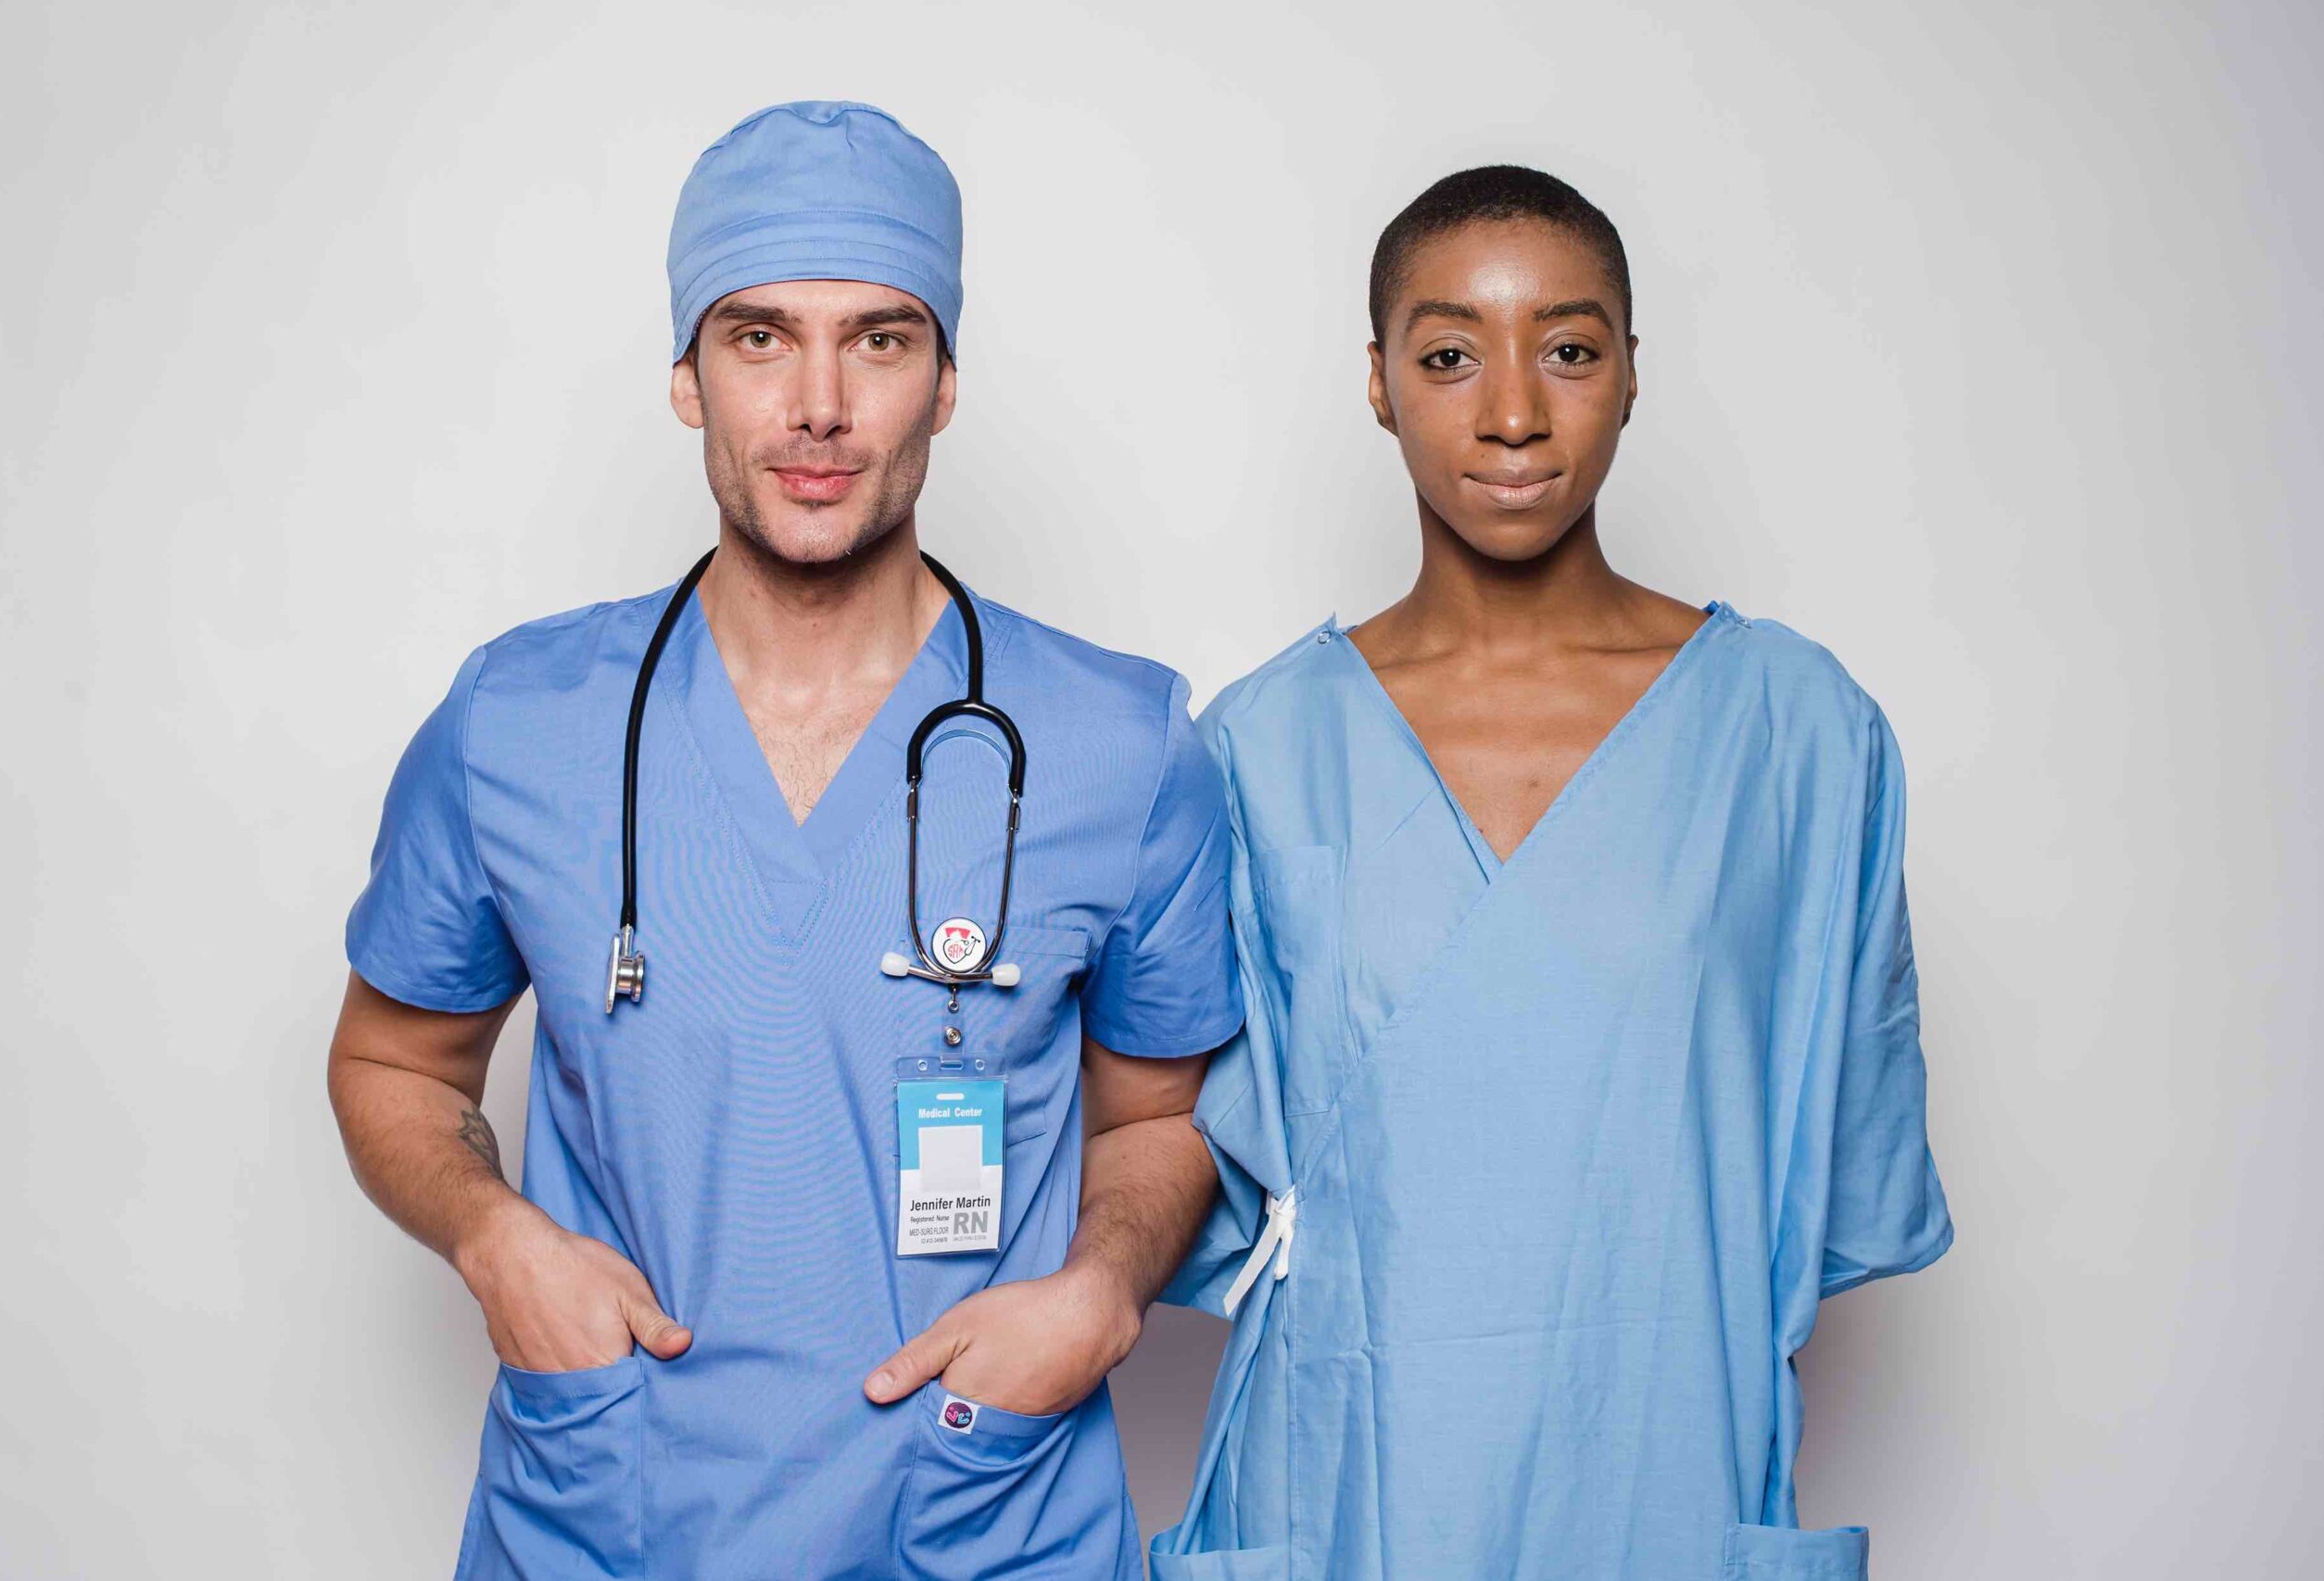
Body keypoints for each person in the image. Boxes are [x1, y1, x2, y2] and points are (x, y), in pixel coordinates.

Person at [328, 101, 1242, 1580]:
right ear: (686, 379)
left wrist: (1105, 1287)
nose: (819, 404)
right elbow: (390, 1061)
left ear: (944, 383)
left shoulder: (1121, 747)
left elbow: (1157, 1114)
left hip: (982, 1515)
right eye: (760, 337)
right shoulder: (519, 722)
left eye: (880, 340)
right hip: (618, 1515)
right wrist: (498, 1241)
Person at [1150, 166, 1954, 1581]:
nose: (1513, 412)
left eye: (1569, 350)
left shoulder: (1797, 736)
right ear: (1383, 382)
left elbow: (1840, 1169)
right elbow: (1180, 1171)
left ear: (1633, 374)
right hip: (1350, 1478)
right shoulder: (1255, 750)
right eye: (1450, 355)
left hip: (1658, 1466)